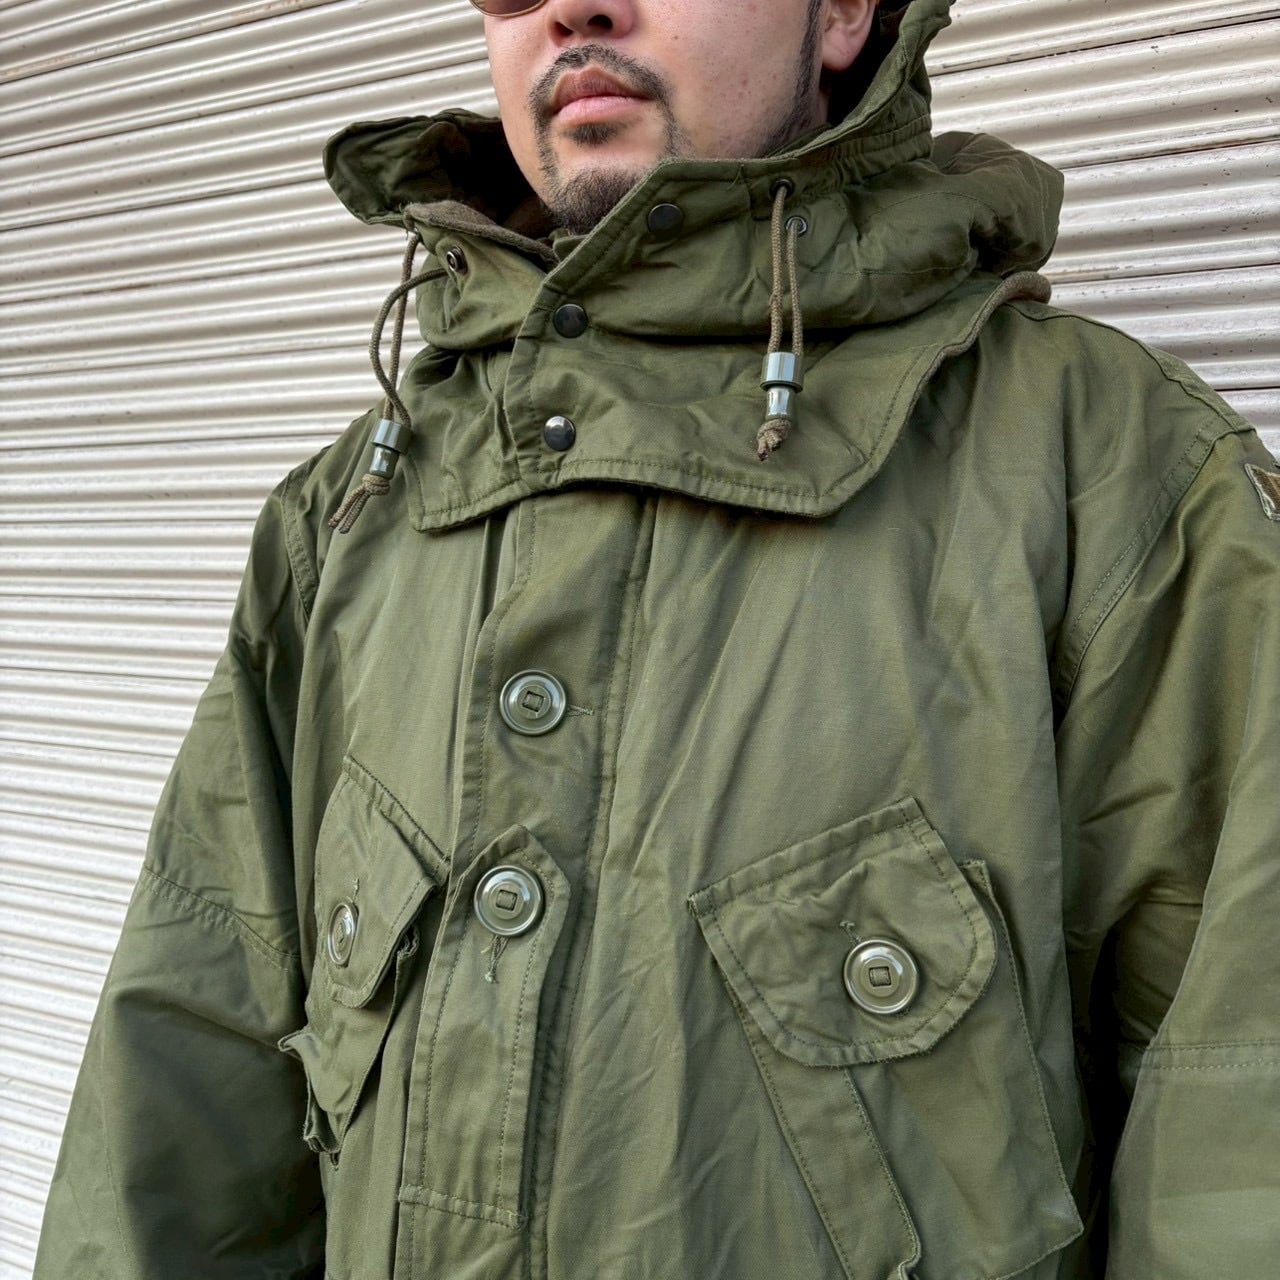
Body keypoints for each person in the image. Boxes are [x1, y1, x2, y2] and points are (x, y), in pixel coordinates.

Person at [34, 0, 1280, 1277]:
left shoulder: (1103, 473)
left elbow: (1236, 1144)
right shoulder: (347, 512)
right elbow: (184, 1097)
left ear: (844, 12)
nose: (569, 7)